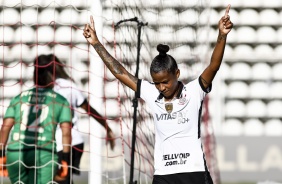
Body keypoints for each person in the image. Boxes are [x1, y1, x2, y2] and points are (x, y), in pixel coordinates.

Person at [83, 4, 233, 184]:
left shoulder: (194, 91)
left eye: (165, 82)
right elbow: (120, 72)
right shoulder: (151, 93)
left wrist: (222, 35)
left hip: (194, 172)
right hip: (163, 174)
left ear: (177, 74)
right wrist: (96, 44)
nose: (161, 87)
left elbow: (214, 66)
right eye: (157, 83)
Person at [35, 54, 116, 184]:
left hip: (58, 144)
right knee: (63, 179)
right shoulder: (68, 86)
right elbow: (89, 109)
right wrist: (107, 128)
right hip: (74, 142)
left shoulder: (38, 92)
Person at [0, 55, 72, 183]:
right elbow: (66, 133)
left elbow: (5, 128)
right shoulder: (60, 100)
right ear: (53, 75)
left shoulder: (19, 98)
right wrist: (65, 160)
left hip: (16, 152)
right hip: (44, 152)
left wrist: (1, 154)